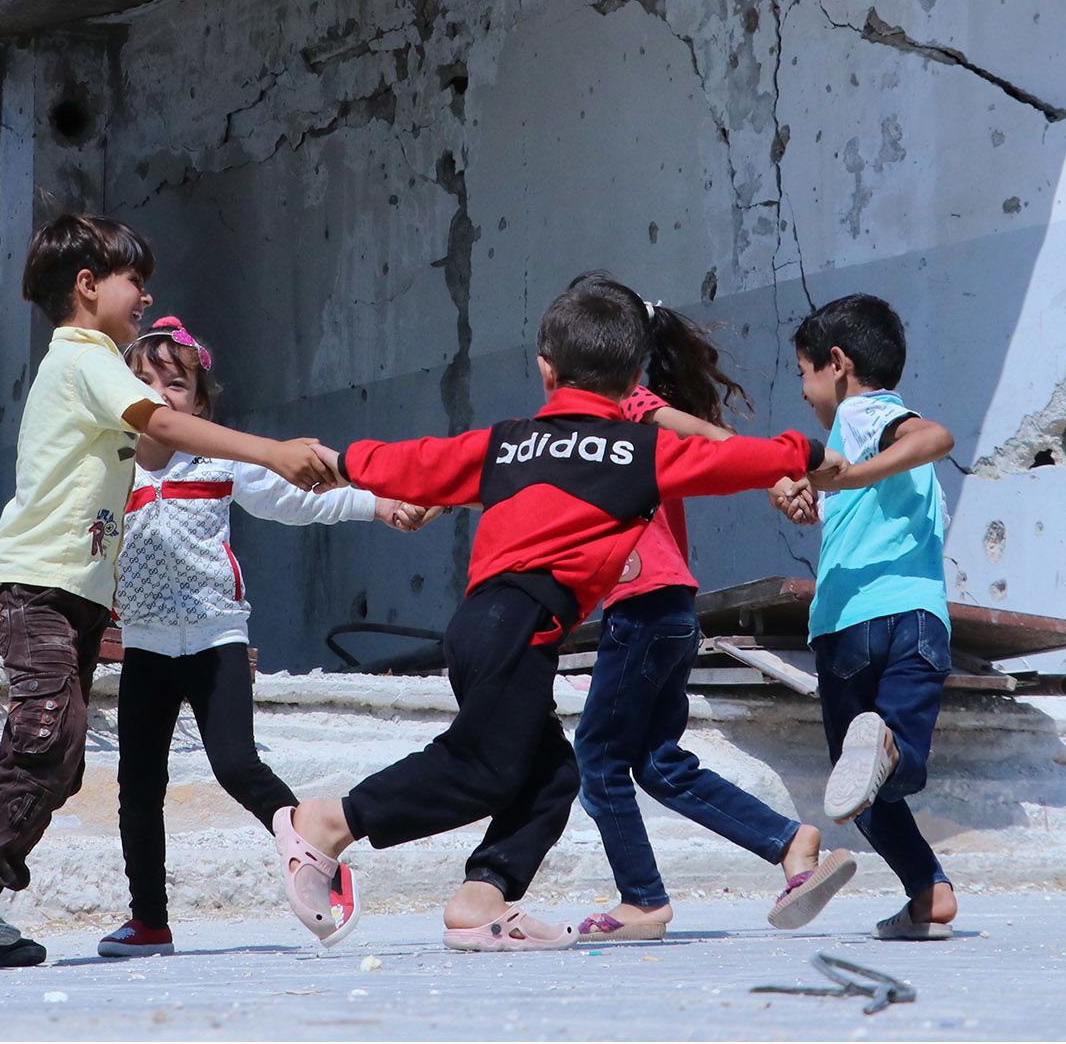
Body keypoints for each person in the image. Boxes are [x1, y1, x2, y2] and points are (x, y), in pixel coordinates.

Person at [272, 273, 826, 952]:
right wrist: (805, 457)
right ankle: (329, 823)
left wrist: (342, 461)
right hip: (520, 624)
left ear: (544, 368)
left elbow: (416, 462)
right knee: (484, 765)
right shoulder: (633, 446)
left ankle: (481, 902)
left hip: (489, 624)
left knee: (553, 774)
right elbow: (724, 455)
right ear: (632, 378)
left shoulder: (513, 442)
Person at [0, 215, 341, 967]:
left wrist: (342, 478)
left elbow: (163, 439)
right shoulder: (86, 358)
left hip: (78, 595)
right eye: (134, 281)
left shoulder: (103, 367)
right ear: (87, 288)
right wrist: (273, 450)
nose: (146, 295)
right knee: (48, 737)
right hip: (36, 586)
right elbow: (166, 429)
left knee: (63, 754)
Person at [98, 315, 430, 959]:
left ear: (198, 403)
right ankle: (149, 922)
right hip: (145, 645)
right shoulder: (110, 465)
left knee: (236, 766)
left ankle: (313, 853)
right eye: (143, 380)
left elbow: (302, 501)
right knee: (138, 786)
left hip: (217, 636)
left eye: (176, 383)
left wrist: (378, 503)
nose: (161, 394)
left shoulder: (220, 459)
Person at [571, 290, 854, 943]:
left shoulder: (627, 405)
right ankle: (789, 843)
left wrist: (777, 472)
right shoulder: (601, 420)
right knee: (657, 762)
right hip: (668, 610)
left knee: (599, 756)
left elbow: (705, 436)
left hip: (646, 608)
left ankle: (641, 900)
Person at [773, 293, 961, 943]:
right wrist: (812, 498)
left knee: (860, 780)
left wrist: (842, 481)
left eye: (803, 373)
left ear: (838, 363)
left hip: (853, 624)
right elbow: (842, 492)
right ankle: (928, 892)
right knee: (875, 778)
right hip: (916, 622)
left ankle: (885, 755)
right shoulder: (850, 446)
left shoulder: (867, 416)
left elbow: (934, 437)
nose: (803, 391)